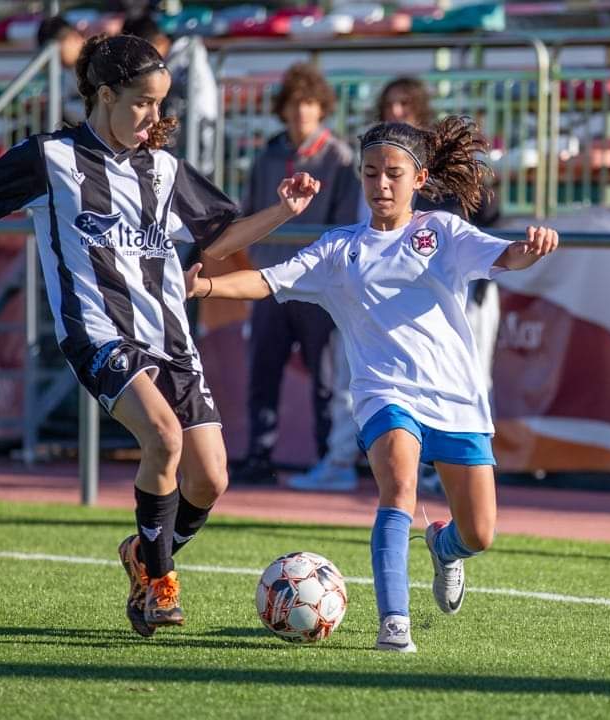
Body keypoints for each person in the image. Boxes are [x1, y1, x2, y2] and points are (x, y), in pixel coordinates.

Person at [0, 34, 321, 634]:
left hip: (170, 338)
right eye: (142, 104)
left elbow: (219, 240)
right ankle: (159, 584)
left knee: (212, 479)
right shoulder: (50, 159)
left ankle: (143, 553)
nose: (154, 119)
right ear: (105, 94)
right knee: (164, 438)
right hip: (100, 337)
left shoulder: (165, 168)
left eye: (160, 105)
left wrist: (283, 211)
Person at [182, 117, 558, 651]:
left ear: (419, 178)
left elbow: (506, 255)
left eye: (394, 174)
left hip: (456, 398)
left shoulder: (443, 233)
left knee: (480, 533)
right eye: (371, 173)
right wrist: (208, 287)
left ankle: (445, 549)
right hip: (384, 392)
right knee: (398, 487)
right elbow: (268, 282)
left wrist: (532, 247)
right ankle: (394, 623)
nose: (381, 185)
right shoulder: (340, 249)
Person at [232, 63, 361, 489]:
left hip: (316, 286)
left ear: (321, 108)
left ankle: (328, 459)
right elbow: (248, 212)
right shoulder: (268, 155)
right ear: (282, 109)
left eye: (308, 104)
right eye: (293, 104)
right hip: (270, 279)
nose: (300, 113)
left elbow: (344, 225)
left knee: (325, 379)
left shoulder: (341, 159)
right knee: (262, 373)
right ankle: (258, 456)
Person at [374, 76, 502, 498]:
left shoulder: (442, 175)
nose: (396, 112)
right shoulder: (380, 167)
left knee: (470, 375)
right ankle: (414, 462)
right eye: (390, 104)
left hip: (465, 293)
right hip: (409, 298)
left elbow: (490, 216)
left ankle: (458, 469)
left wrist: (478, 268)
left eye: (404, 104)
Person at [120, 13, 218, 177]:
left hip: (195, 133)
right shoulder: (176, 58)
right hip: (173, 140)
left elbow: (203, 103)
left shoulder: (188, 55)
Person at [36, 15, 86, 127]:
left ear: (72, 38)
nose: (53, 58)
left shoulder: (97, 63)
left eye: (55, 50)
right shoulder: (68, 69)